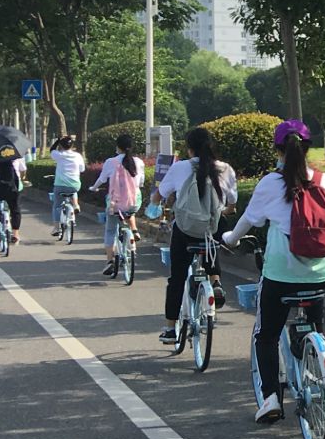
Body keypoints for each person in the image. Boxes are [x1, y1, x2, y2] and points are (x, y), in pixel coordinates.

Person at [221, 120, 325, 424]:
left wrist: (230, 239)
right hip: (322, 272)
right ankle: (314, 351)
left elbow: (249, 221)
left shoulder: (271, 183)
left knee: (266, 335)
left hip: (281, 276)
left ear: (277, 150)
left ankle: (271, 397)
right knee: (315, 323)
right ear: (308, 148)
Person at [154, 126, 235, 345]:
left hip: (185, 230)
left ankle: (170, 329)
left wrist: (155, 205)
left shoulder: (179, 168)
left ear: (189, 148)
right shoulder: (225, 169)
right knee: (212, 235)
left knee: (177, 278)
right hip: (211, 230)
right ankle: (215, 282)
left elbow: (159, 195)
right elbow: (232, 204)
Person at [93, 134, 145, 277]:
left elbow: (102, 179)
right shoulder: (138, 162)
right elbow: (141, 182)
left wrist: (93, 188)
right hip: (134, 202)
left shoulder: (111, 162)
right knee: (129, 210)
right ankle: (133, 232)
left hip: (115, 204)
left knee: (110, 230)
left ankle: (110, 261)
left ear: (118, 147)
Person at [48, 136, 84, 228]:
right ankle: (76, 205)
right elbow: (82, 169)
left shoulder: (58, 155)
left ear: (61, 146)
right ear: (72, 145)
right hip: (75, 185)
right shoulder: (78, 156)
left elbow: (51, 150)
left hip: (60, 185)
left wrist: (57, 141)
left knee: (57, 206)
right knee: (73, 190)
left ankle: (57, 228)